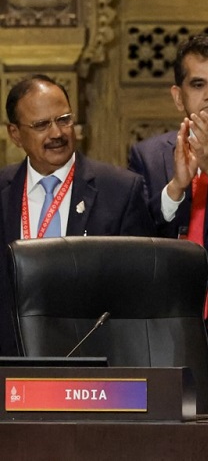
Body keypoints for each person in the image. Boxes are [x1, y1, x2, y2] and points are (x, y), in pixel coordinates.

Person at [128, 33, 208, 406]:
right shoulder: (148, 156)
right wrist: (176, 189)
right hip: (170, 333)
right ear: (178, 95)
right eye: (198, 84)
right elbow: (136, 242)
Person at [0, 74, 153, 355]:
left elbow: (139, 290)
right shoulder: (3, 189)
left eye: (64, 119)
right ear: (15, 134)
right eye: (41, 125)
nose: (57, 133)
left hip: (93, 363)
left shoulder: (119, 190)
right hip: (9, 362)